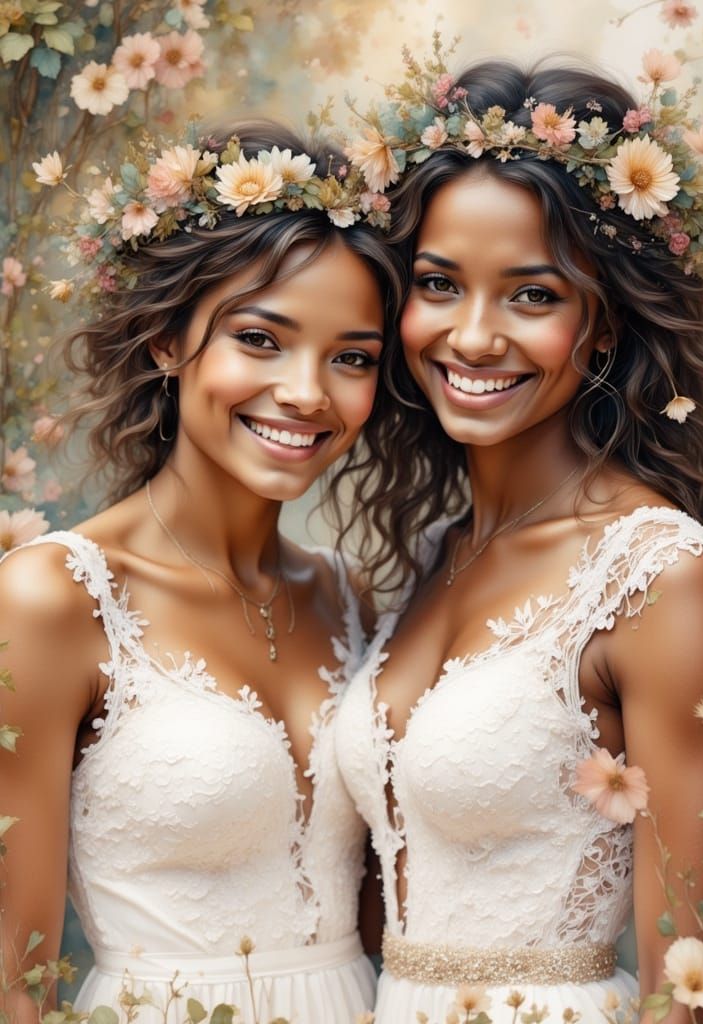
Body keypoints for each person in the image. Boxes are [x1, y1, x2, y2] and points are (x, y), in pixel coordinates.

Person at [335, 49, 703, 1024]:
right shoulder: (434, 555)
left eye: (532, 294)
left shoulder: (663, 577)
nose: (474, 336)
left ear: (602, 323)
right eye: (439, 283)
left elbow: (699, 990)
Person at [0, 120, 404, 1024]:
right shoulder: (50, 598)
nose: (308, 392)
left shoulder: (351, 595)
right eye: (261, 339)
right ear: (166, 342)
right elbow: (10, 976)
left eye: (352, 359)